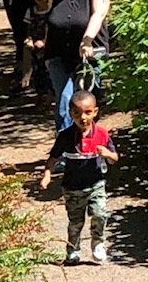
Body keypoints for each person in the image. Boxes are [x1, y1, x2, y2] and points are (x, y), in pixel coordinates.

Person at [39, 0, 111, 131]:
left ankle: (87, 152)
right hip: (58, 55)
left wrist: (87, 40)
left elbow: (99, 13)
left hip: (88, 57)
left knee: (84, 108)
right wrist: (46, 52)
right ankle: (66, 154)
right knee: (64, 107)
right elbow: (50, 17)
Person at [39, 90, 118, 264]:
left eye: (88, 112)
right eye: (77, 113)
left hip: (96, 184)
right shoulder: (66, 136)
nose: (83, 118)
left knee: (100, 214)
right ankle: (73, 250)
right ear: (70, 114)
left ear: (95, 112)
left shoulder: (102, 134)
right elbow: (53, 157)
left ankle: (98, 243)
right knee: (76, 221)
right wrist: (47, 175)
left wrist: (107, 154)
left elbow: (114, 158)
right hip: (72, 187)